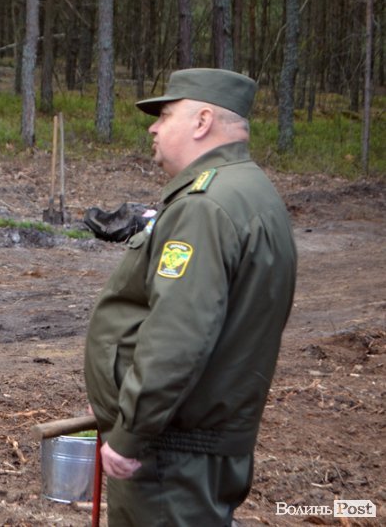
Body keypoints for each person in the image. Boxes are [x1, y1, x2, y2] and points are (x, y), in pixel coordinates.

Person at [83, 68, 298, 525]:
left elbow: (177, 337)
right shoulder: (250, 190)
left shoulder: (205, 207)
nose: (153, 128)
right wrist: (110, 400)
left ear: (202, 122)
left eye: (165, 115)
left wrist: (131, 430)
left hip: (170, 452)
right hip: (199, 442)